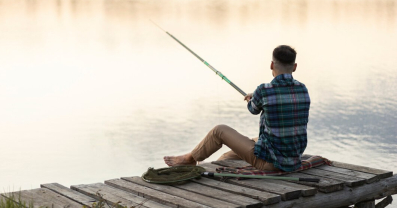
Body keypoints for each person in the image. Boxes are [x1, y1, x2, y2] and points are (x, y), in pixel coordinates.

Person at [164, 45, 310, 172]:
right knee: (230, 155)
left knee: (219, 131)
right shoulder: (303, 89)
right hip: (293, 160)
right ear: (295, 67)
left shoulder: (264, 90)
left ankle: (190, 158)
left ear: (271, 65)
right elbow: (279, 100)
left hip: (271, 163)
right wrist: (257, 96)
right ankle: (212, 163)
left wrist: (252, 98)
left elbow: (253, 109)